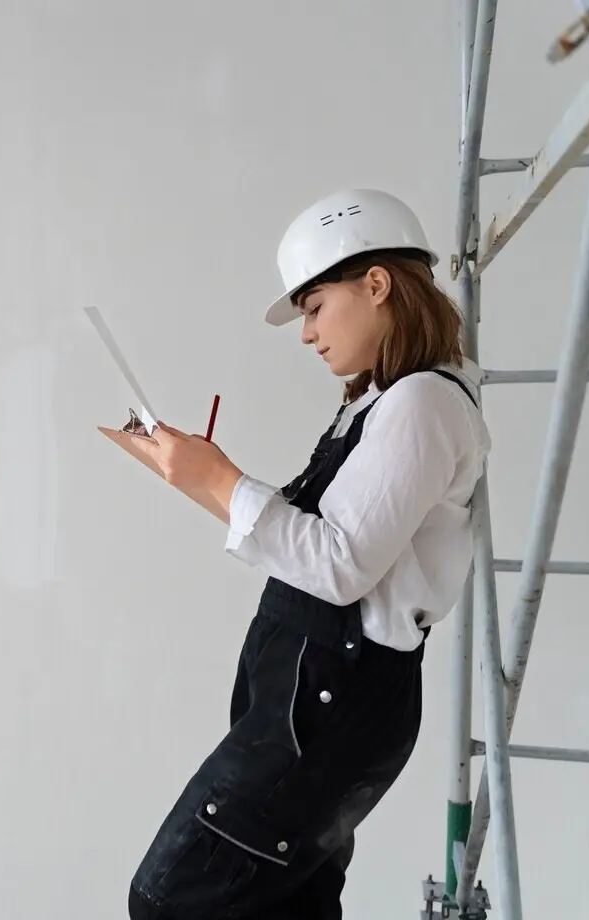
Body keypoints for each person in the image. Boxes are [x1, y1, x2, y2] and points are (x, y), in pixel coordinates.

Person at [123, 188, 492, 919]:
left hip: (332, 698)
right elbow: (317, 543)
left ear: (377, 285)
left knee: (171, 900)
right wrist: (198, 476)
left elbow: (338, 564)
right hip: (313, 687)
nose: (307, 333)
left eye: (315, 306)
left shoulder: (423, 404)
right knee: (289, 905)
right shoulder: (381, 402)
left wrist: (221, 480)